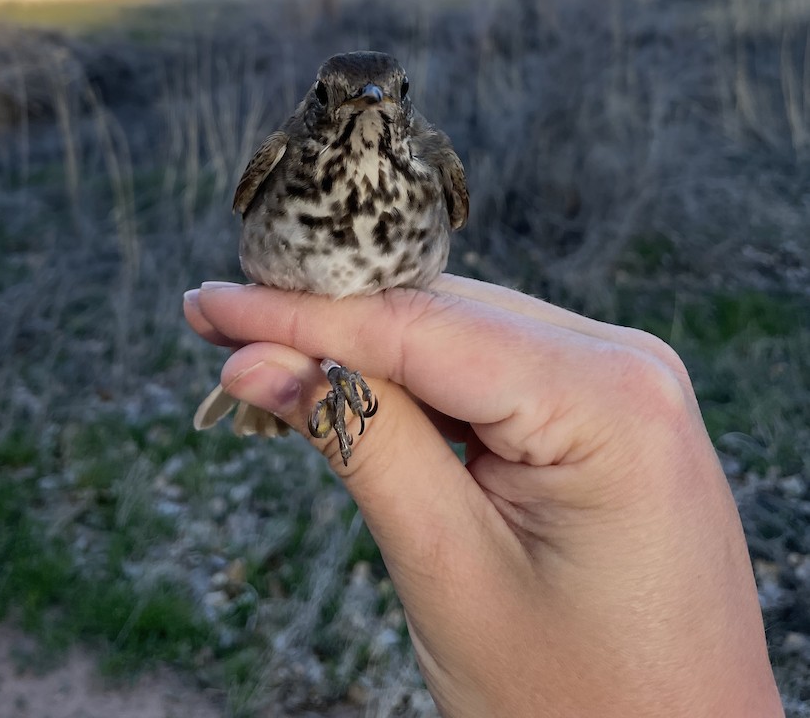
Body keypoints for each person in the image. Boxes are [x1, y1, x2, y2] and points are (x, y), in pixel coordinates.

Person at [183, 274, 784, 718]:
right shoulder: (286, 156)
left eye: (391, 99)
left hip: (349, 351)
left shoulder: (430, 167)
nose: (368, 102)